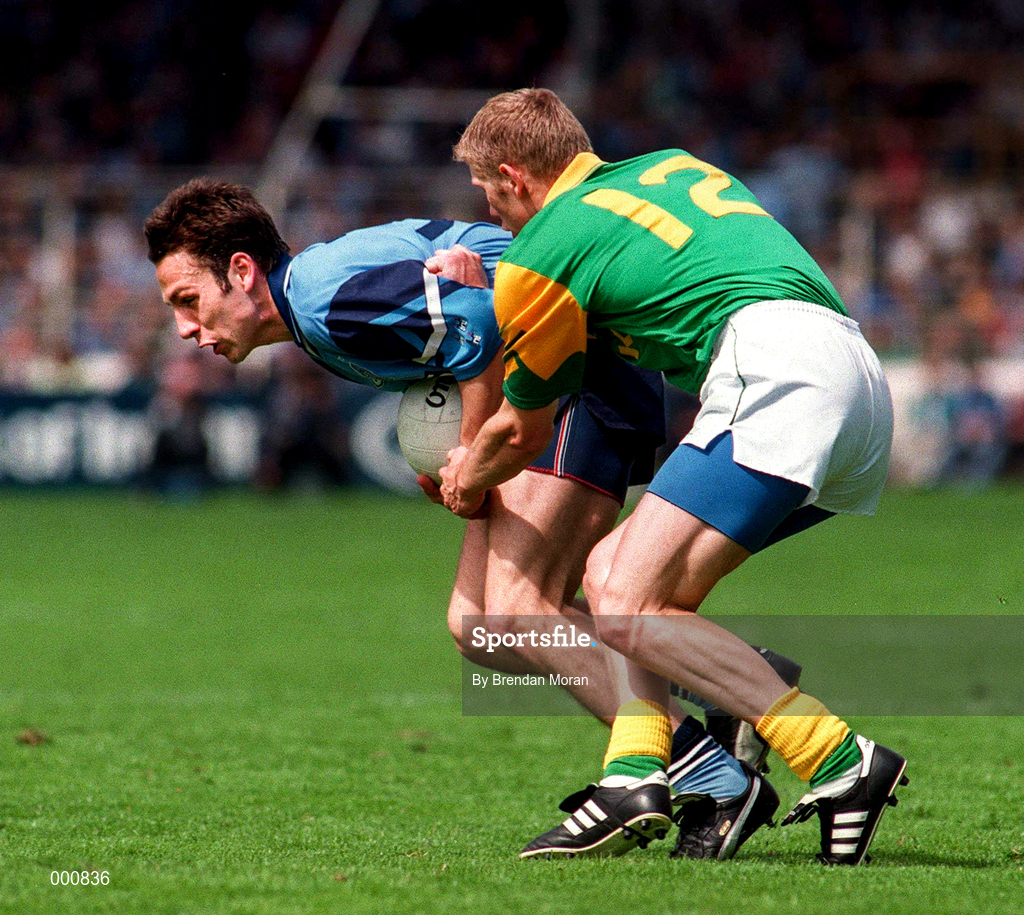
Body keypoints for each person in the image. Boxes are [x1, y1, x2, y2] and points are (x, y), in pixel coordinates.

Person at [143, 178, 791, 861]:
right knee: (477, 625)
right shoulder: (316, 302)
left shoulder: (323, 302)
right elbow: (464, 308)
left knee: (516, 610)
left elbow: (480, 324)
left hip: (576, 370)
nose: (186, 327)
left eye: (189, 300)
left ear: (241, 271)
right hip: (559, 373)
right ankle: (722, 675)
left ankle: (715, 777)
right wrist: (461, 453)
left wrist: (474, 455)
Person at [442, 88, 907, 865]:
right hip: (857, 375)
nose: (496, 220)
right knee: (616, 577)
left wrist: (466, 470)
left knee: (625, 598)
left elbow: (521, 430)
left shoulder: (541, 248)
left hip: (776, 367)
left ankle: (838, 758)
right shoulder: (668, 166)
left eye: (492, 198)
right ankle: (636, 773)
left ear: (515, 175)